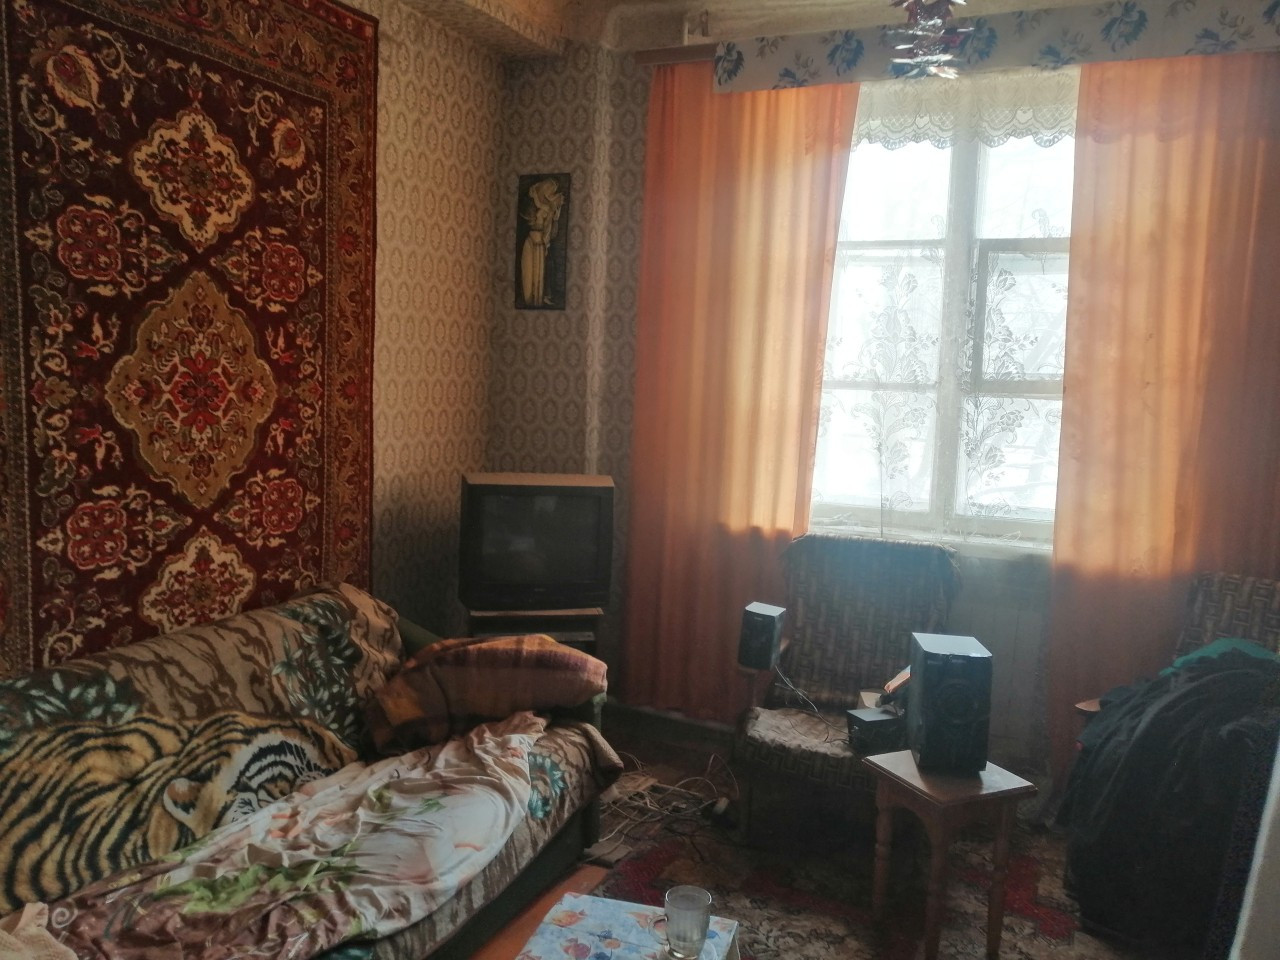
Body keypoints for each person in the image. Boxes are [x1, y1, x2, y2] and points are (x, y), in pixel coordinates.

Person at [519, 178, 564, 307]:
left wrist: (555, 215)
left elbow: (551, 230)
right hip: (532, 241)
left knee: (539, 276)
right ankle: (531, 301)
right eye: (549, 188)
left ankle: (538, 300)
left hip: (540, 243)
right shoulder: (534, 204)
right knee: (529, 275)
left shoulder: (548, 208)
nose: (551, 191)